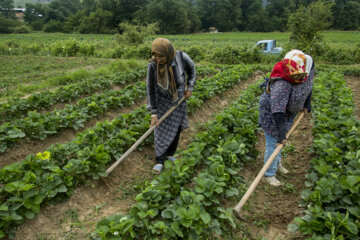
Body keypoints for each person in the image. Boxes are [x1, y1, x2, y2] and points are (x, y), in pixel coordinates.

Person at [259, 49, 314, 186]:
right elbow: (277, 110)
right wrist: (281, 133)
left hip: (287, 113)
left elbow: (308, 87)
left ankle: (276, 163)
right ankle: (269, 174)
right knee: (274, 143)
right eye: (295, 77)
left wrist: (307, 104)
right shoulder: (281, 83)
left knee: (281, 142)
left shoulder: (304, 74)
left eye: (300, 76)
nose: (298, 79)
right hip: (273, 114)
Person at [146, 38, 196, 174]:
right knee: (160, 128)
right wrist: (154, 113)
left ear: (168, 53)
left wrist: (190, 88)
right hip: (162, 101)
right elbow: (151, 90)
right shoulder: (152, 66)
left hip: (179, 98)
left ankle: (170, 155)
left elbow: (192, 70)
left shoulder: (181, 57)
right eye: (155, 55)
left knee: (176, 127)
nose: (158, 59)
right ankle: (160, 160)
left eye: (161, 56)